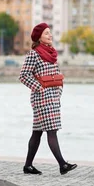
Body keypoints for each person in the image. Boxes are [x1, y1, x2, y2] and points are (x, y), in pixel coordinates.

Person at [19, 22, 77, 175]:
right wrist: (40, 88)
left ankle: (28, 166)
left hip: (53, 96)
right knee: (52, 130)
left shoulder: (51, 53)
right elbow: (23, 75)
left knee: (37, 132)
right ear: (39, 38)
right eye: (46, 33)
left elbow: (55, 73)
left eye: (50, 32)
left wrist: (59, 89)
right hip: (42, 98)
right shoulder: (34, 54)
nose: (50, 35)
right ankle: (62, 164)